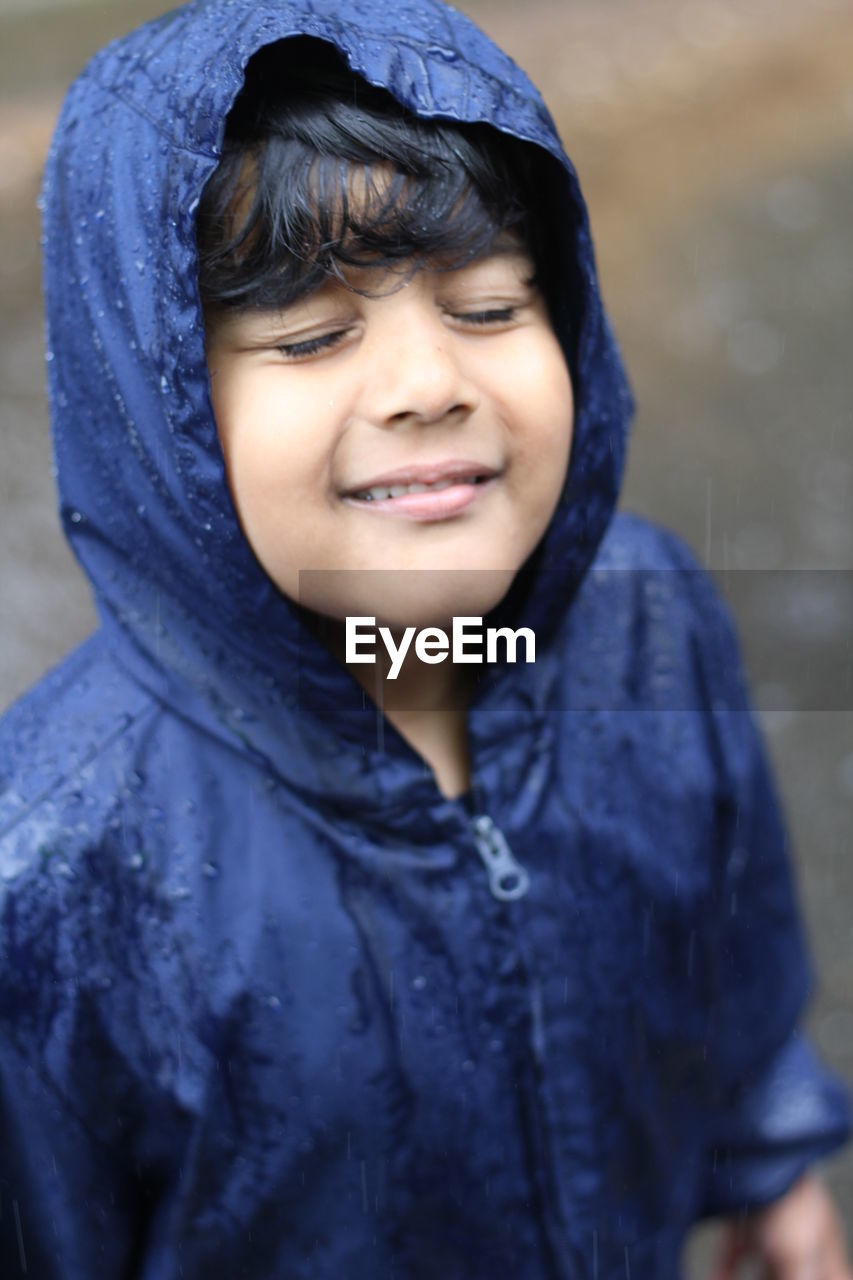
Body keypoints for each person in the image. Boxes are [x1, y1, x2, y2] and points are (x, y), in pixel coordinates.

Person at [0, 0, 850, 1275]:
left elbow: (727, 940)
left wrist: (770, 1159)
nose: (427, 382)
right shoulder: (57, 867)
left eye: (493, 307)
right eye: (313, 334)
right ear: (156, 410)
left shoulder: (645, 623)